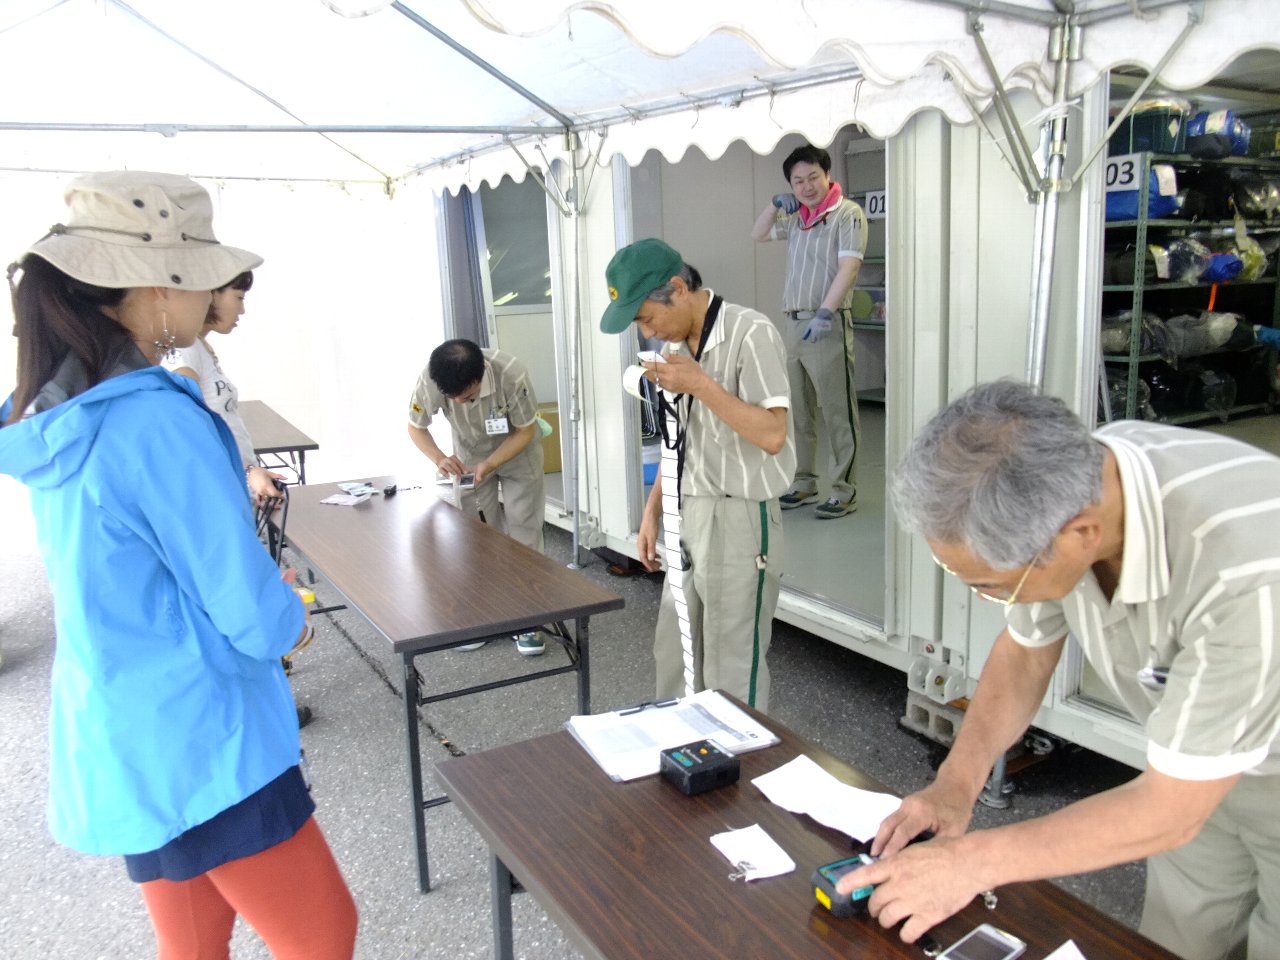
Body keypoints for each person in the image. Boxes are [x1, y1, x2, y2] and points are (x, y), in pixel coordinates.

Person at [0, 171, 357, 959]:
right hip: (207, 734)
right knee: (323, 934)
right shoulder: (154, 418)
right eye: (201, 280)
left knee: (194, 943)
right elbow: (244, 604)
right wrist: (291, 616)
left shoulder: (55, 411)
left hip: (127, 727)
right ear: (159, 286)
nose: (211, 300)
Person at [838, 380, 1280, 960]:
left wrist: (971, 864)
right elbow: (1025, 653)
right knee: (1178, 937)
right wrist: (956, 784)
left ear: (1081, 537)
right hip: (1192, 761)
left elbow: (1170, 812)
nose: (989, 599)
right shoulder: (1066, 481)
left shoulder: (1246, 574)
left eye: (991, 587)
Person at [600, 238, 794, 712]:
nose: (646, 332)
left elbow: (772, 435)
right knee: (677, 650)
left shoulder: (751, 333)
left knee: (731, 661)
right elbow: (676, 440)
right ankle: (680, 758)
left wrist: (701, 385)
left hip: (739, 513)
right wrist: (652, 514)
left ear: (678, 288)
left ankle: (737, 771)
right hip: (687, 510)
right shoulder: (672, 347)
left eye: (646, 317)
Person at [407, 338, 547, 656]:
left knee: (524, 530)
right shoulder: (431, 378)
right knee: (475, 534)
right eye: (451, 398)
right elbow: (416, 427)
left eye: (467, 396)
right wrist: (439, 457)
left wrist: (493, 463)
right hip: (469, 455)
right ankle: (481, 615)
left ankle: (529, 619)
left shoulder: (512, 374)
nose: (458, 403)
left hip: (516, 452)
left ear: (480, 375)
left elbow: (525, 430)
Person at [751, 143, 867, 519]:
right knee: (798, 408)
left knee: (837, 410)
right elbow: (758, 234)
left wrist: (825, 313)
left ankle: (844, 490)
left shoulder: (846, 214)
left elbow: (848, 268)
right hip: (793, 323)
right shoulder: (799, 219)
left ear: (827, 175)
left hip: (826, 322)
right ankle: (804, 481)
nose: (806, 186)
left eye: (812, 177)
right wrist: (774, 204)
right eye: (797, 181)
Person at [162, 270, 285, 504]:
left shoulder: (198, 348)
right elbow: (189, 434)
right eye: (239, 297)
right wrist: (248, 472)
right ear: (210, 294)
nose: (242, 310)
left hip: (231, 486)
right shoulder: (185, 353)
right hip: (216, 492)